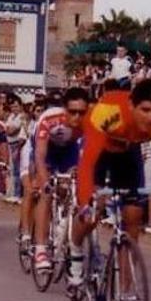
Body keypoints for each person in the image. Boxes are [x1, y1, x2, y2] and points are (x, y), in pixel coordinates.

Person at [70, 80, 151, 294]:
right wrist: (86, 200)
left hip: (129, 150)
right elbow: (87, 164)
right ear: (131, 105)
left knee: (133, 216)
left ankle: (124, 294)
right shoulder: (108, 111)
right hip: (101, 148)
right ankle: (75, 250)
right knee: (93, 212)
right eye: (145, 110)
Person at [21, 88, 89, 271]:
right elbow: (40, 157)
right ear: (64, 109)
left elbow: (87, 158)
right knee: (46, 192)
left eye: (81, 112)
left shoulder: (88, 122)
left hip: (68, 150)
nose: (77, 117)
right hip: (46, 149)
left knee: (72, 187)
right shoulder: (49, 119)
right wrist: (45, 181)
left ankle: (64, 223)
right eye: (72, 112)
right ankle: (41, 249)